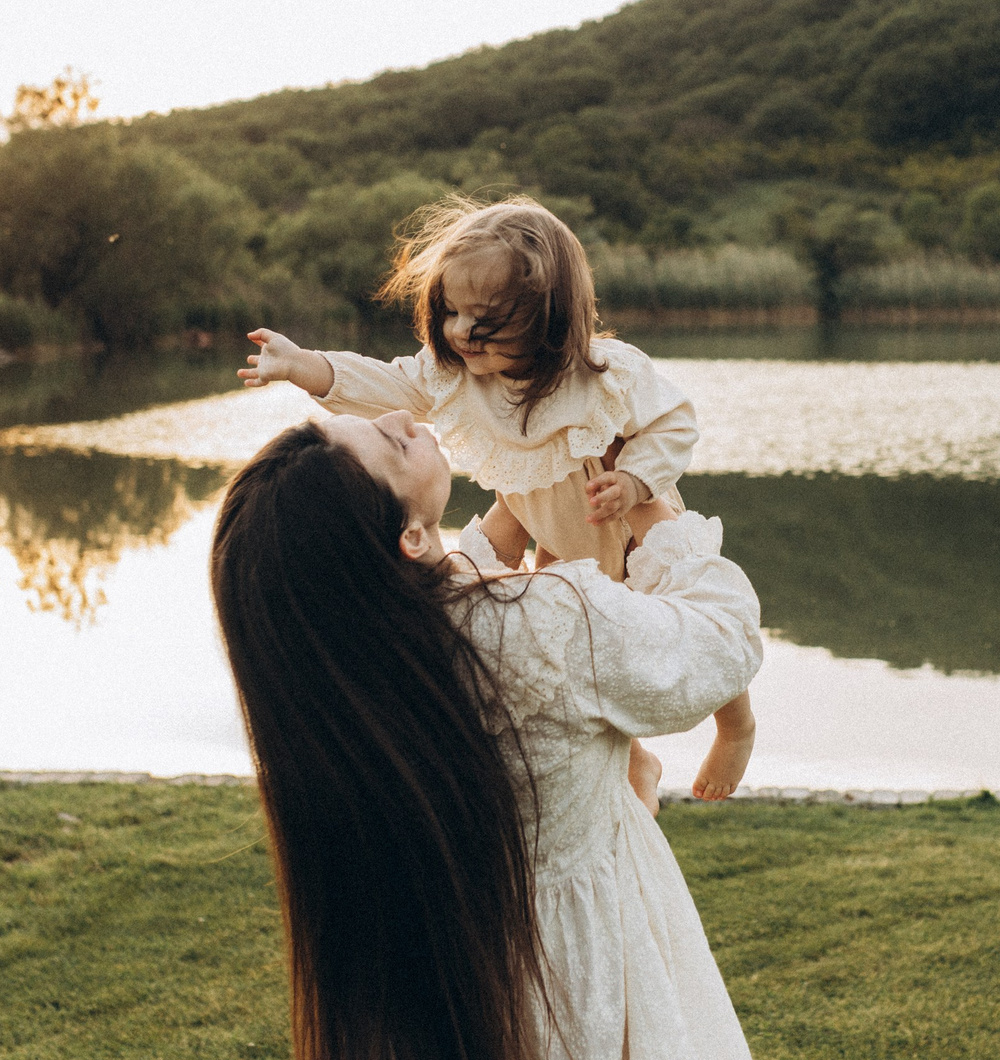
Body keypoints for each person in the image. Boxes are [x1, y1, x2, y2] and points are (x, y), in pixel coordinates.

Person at [209, 409, 780, 1060]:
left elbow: (456, 586)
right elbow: (717, 640)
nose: (404, 415)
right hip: (582, 985)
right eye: (394, 442)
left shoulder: (352, 675)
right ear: (404, 540)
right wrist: (656, 510)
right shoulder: (543, 625)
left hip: (431, 990)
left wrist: (516, 506)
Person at [238, 196, 757, 807]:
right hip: (545, 522)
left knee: (675, 614)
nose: (459, 331)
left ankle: (736, 725)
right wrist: (307, 367)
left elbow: (675, 422)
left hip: (622, 515)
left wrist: (637, 481)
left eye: (483, 318)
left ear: (549, 318)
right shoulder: (456, 374)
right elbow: (387, 383)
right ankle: (633, 760)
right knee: (580, 651)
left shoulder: (601, 374)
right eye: (450, 310)